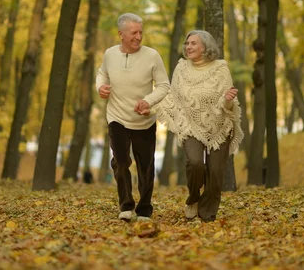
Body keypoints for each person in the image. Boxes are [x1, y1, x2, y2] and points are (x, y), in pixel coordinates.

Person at [150, 30, 243, 222]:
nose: (188, 47)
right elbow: (172, 98)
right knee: (195, 163)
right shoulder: (181, 68)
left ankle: (207, 212)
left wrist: (226, 100)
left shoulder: (220, 69)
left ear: (205, 47)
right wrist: (151, 108)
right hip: (190, 125)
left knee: (216, 172)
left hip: (220, 125)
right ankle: (193, 198)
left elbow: (227, 103)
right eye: (187, 43)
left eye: (193, 43)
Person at [96, 13, 170, 222]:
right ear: (121, 34)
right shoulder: (110, 54)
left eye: (140, 32)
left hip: (143, 120)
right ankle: (126, 205)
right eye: (133, 33)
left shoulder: (152, 56)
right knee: (120, 161)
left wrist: (148, 101)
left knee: (145, 166)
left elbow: (164, 85)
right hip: (117, 117)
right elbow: (102, 73)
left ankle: (144, 209)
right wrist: (100, 86)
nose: (138, 37)